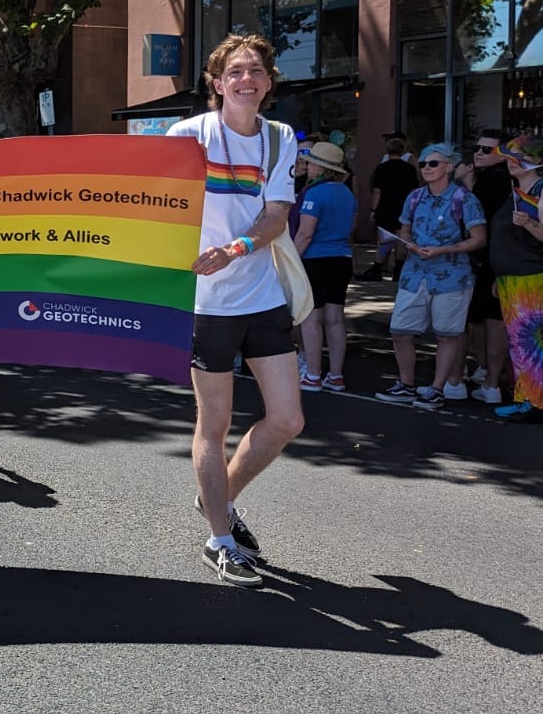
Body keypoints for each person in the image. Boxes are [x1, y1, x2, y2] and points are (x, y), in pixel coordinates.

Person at [166, 33, 303, 589]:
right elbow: (148, 202)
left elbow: (276, 217)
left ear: (268, 82)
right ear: (217, 84)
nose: (246, 79)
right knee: (214, 423)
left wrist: (236, 249)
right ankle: (220, 539)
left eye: (256, 71)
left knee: (288, 419)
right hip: (205, 305)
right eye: (235, 72)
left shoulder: (280, 138)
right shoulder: (187, 135)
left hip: (261, 294)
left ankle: (215, 499)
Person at [374, 143, 487, 411]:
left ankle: (437, 389)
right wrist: (407, 243)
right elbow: (404, 229)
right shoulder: (414, 197)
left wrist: (442, 250)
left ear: (449, 166)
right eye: (423, 163)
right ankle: (406, 385)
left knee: (447, 334)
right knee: (400, 330)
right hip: (415, 274)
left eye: (433, 163)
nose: (426, 167)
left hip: (452, 276)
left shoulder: (465, 199)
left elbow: (479, 239)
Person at [489, 134, 543, 423]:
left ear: (533, 161)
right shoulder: (516, 189)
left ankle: (539, 404)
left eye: (516, 157)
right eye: (509, 157)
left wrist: (529, 223)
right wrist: (501, 277)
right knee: (519, 340)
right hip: (514, 276)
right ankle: (526, 398)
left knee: (534, 339)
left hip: (536, 274)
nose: (510, 162)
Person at [292, 141, 355, 392]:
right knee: (336, 318)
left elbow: (305, 233)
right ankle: (336, 375)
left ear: (320, 167)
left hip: (316, 258)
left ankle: (314, 374)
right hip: (341, 258)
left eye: (312, 162)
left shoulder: (314, 194)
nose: (308, 166)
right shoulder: (346, 193)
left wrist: (291, 261)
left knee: (310, 317)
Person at [457, 132, 513, 404]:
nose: (478, 152)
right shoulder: (493, 178)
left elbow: (473, 220)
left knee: (491, 320)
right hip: (490, 259)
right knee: (482, 319)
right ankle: (488, 376)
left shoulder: (496, 180)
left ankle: (490, 379)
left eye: (486, 149)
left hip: (494, 260)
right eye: (476, 147)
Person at [360, 137, 419, 281]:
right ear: (403, 150)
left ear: (387, 150)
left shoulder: (382, 168)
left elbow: (377, 191)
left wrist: (373, 210)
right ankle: (398, 269)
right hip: (403, 206)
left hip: (385, 206)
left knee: (384, 239)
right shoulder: (409, 168)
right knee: (401, 238)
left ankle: (377, 267)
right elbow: (413, 190)